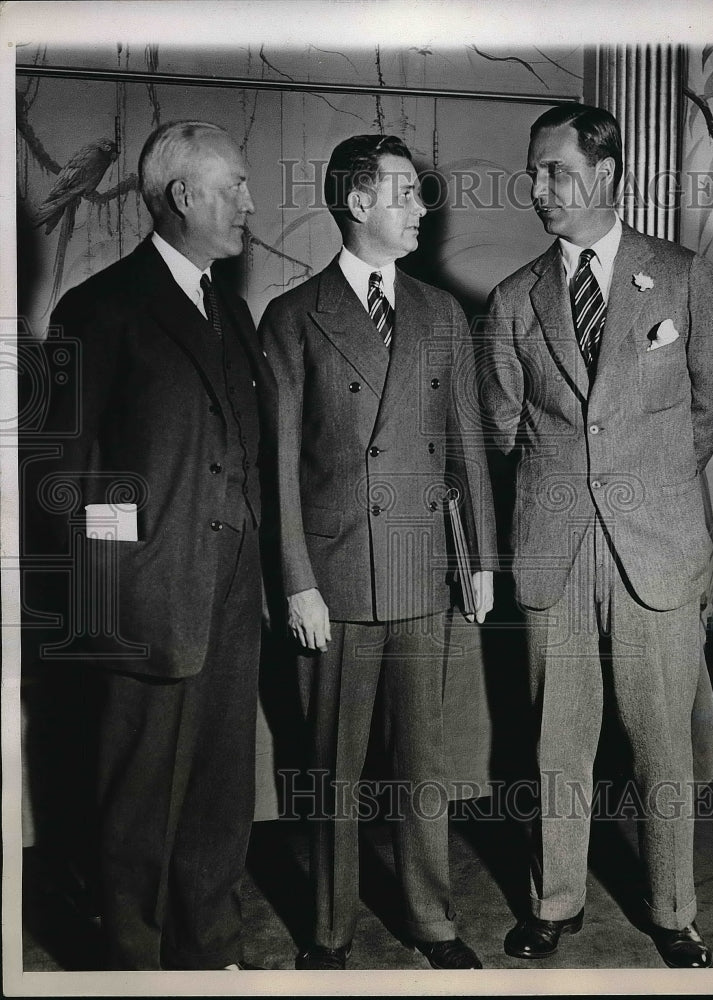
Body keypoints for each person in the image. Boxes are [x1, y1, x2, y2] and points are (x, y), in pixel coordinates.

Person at [480, 103, 713, 968]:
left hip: (655, 546)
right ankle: (553, 901)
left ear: (608, 173)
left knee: (663, 738)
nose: (538, 187)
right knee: (556, 741)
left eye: (554, 169)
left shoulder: (687, 277)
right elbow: (504, 432)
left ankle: (672, 910)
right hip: (555, 549)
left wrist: (647, 484)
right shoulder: (514, 298)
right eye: (533, 170)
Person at [38, 120, 276, 970]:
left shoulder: (230, 306)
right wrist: (125, 564)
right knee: (136, 805)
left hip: (229, 599)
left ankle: (207, 949)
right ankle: (133, 968)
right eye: (236, 187)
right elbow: (57, 473)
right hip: (146, 604)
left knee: (219, 793)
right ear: (183, 197)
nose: (252, 203)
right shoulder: (98, 308)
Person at [259, 133, 496, 970]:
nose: (419, 208)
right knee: (332, 772)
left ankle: (432, 919)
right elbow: (277, 466)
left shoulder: (439, 313)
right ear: (357, 204)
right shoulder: (293, 317)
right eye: (403, 194)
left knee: (423, 768)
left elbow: (466, 445)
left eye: (419, 194)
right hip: (335, 577)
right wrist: (296, 582)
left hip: (421, 571)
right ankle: (328, 929)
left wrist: (479, 561)